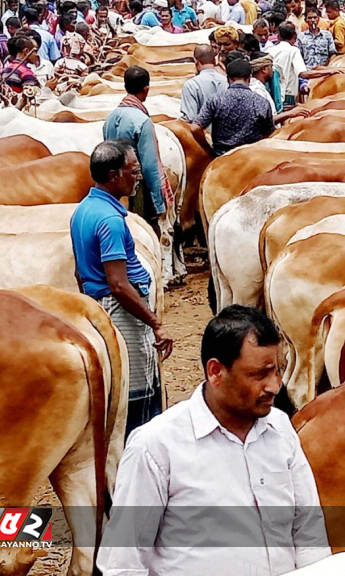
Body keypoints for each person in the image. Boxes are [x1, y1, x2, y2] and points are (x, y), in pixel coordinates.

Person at [97, 305, 330, 575]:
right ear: (215, 371)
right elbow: (123, 561)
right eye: (259, 374)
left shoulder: (280, 429)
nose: (275, 386)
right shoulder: (156, 446)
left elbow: (308, 529)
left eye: (278, 370)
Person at [70, 140, 173, 436]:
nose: (138, 176)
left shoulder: (83, 211)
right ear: (115, 175)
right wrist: (155, 323)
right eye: (133, 170)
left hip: (100, 306)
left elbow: (80, 272)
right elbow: (118, 284)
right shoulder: (111, 220)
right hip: (123, 316)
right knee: (136, 395)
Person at [103, 67, 171, 233]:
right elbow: (149, 165)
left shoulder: (110, 118)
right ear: (146, 89)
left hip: (114, 188)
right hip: (136, 189)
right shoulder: (142, 121)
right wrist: (159, 203)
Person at [194, 57, 278, 156]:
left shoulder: (215, 100)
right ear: (249, 78)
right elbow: (269, 133)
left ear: (228, 78)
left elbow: (195, 128)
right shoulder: (261, 102)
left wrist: (206, 147)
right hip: (251, 158)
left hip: (221, 156)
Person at [180, 45, 228, 121]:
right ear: (214, 61)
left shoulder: (191, 85)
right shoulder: (227, 81)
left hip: (203, 131)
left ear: (196, 62)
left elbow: (190, 118)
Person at [270, 22, 308, 107]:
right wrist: (328, 72)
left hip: (272, 93)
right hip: (287, 95)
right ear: (294, 37)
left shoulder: (269, 51)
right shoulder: (293, 51)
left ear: (278, 37)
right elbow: (302, 73)